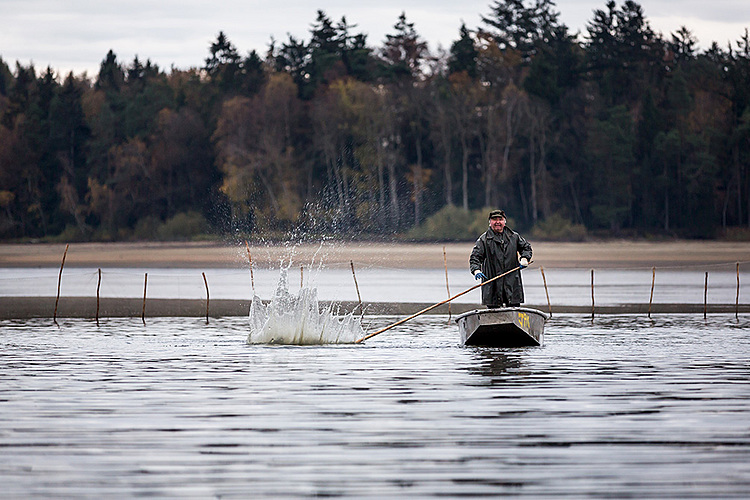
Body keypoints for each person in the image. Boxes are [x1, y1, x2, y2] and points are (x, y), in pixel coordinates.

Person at [469, 209, 532, 309]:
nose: (497, 222)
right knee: (493, 312)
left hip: (512, 283)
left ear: (504, 221)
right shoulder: (484, 239)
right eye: (494, 219)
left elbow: (526, 248)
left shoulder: (514, 237)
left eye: (500, 219)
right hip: (492, 285)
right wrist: (476, 270)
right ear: (490, 222)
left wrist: (524, 258)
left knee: (514, 309)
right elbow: (475, 257)